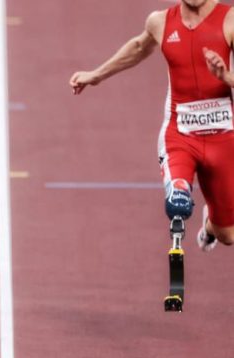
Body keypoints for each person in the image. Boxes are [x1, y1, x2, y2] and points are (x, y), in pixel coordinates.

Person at [70, 0, 234, 252]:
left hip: (222, 140)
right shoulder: (160, 22)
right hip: (180, 137)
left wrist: (226, 77)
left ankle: (209, 227)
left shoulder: (229, 20)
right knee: (177, 203)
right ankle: (179, 192)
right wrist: (96, 75)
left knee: (228, 235)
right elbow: (138, 47)